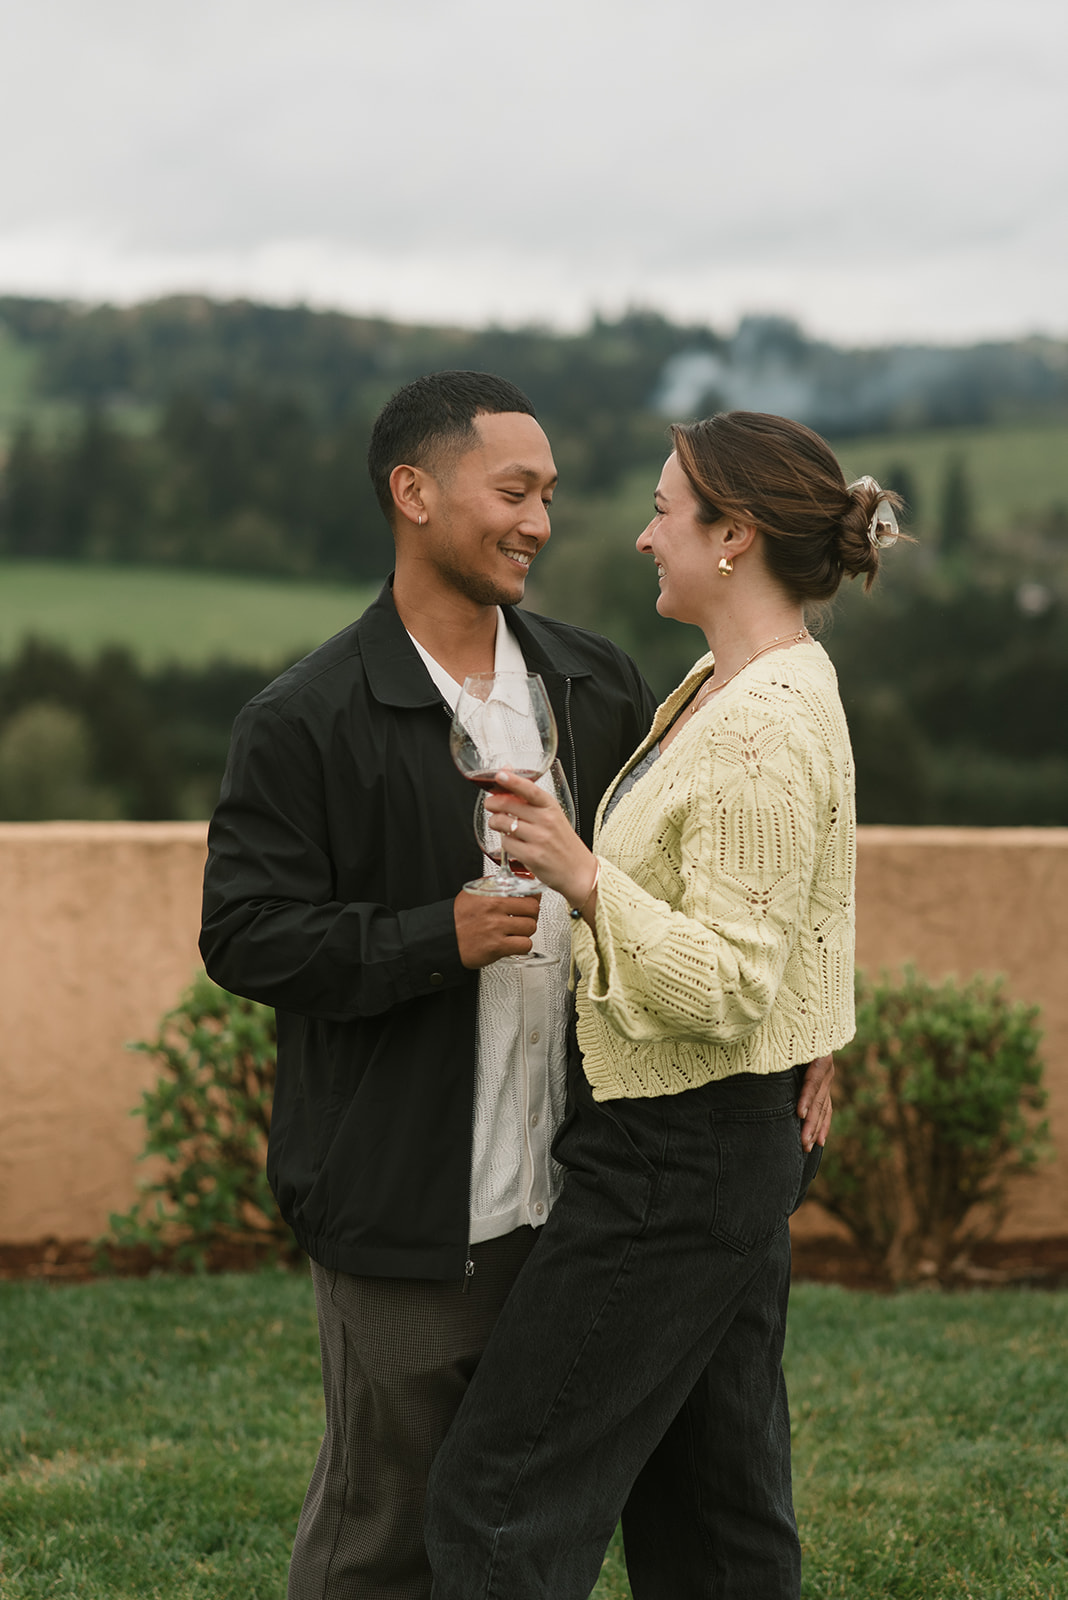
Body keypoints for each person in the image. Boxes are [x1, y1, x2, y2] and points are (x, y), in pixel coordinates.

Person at [199, 375, 835, 1600]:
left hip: (588, 1196)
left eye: (549, 493)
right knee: (381, 1541)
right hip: (409, 1213)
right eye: (515, 491)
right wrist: (431, 937)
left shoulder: (596, 684)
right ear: (414, 493)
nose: (543, 520)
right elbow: (247, 937)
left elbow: (735, 876)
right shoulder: (303, 719)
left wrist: (809, 1021)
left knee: (545, 1519)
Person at [423, 411, 900, 1600]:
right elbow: (807, 897)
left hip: (675, 1161)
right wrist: (818, 1027)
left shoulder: (763, 722)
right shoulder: (734, 683)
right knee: (714, 1520)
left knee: (496, 1500)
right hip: (718, 1142)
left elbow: (731, 980)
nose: (641, 537)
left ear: (733, 535)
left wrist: (579, 873)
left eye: (661, 510)